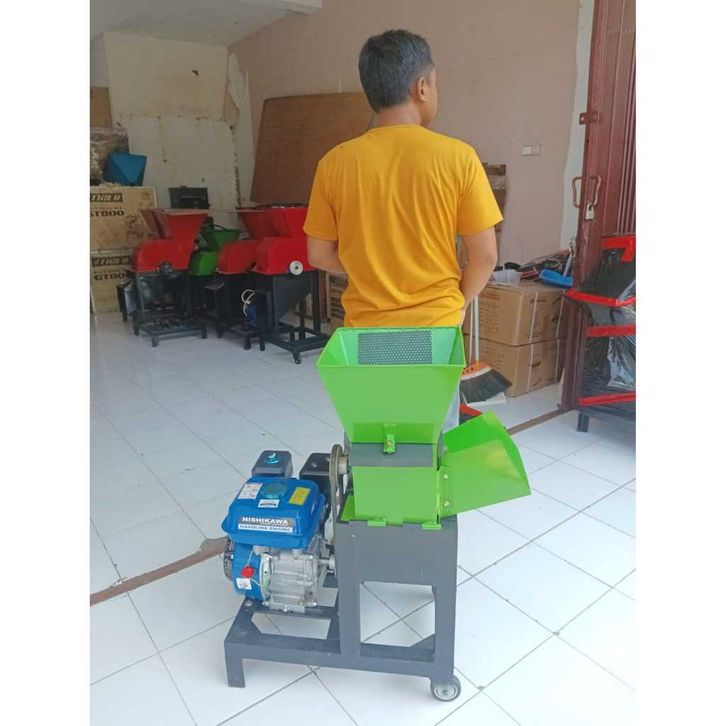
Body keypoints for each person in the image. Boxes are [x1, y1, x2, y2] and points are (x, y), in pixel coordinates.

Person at [304, 29, 501, 430]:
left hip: (366, 336)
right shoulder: (459, 158)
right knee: (430, 445)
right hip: (434, 332)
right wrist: (459, 302)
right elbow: (484, 257)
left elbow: (318, 255)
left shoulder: (335, 163)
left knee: (372, 441)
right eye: (435, 84)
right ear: (421, 87)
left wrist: (369, 265)